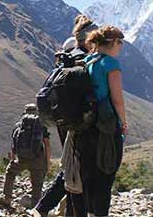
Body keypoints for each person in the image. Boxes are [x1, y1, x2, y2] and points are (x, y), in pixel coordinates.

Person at [33, 15, 98, 217]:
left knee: (71, 166)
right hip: (80, 123)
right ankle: (45, 209)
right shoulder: (84, 60)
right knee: (77, 169)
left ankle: (49, 209)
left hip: (63, 121)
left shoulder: (62, 65)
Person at [68, 25, 128, 217]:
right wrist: (124, 124)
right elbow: (117, 100)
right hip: (106, 127)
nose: (121, 48)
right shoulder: (110, 64)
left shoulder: (86, 61)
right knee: (105, 174)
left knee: (87, 175)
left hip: (85, 126)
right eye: (121, 43)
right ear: (113, 42)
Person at [1, 104, 50, 208]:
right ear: (37, 113)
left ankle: (7, 198)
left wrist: (13, 158)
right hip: (37, 159)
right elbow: (47, 144)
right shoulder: (41, 125)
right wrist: (47, 161)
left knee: (10, 173)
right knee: (37, 184)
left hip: (21, 158)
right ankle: (36, 208)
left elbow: (14, 143)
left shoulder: (18, 125)